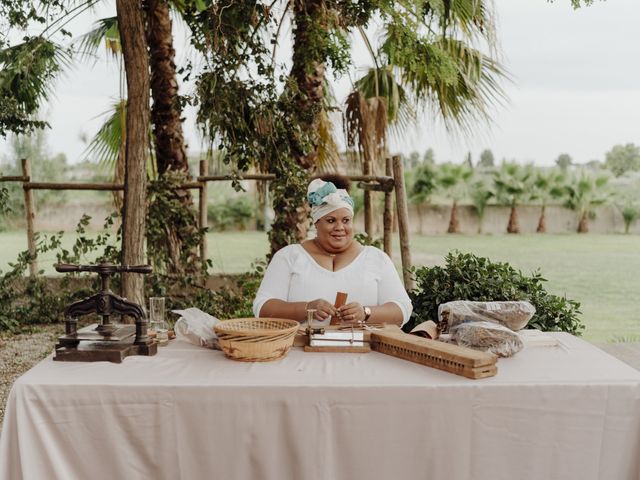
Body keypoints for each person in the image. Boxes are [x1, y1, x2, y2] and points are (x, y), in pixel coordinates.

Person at [252, 178, 412, 326]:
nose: (340, 227)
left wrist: (366, 313)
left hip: (363, 352)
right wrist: (306, 308)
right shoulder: (289, 257)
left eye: (346, 220)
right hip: (301, 352)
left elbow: (403, 309)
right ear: (316, 223)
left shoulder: (376, 258)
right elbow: (262, 308)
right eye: (331, 220)